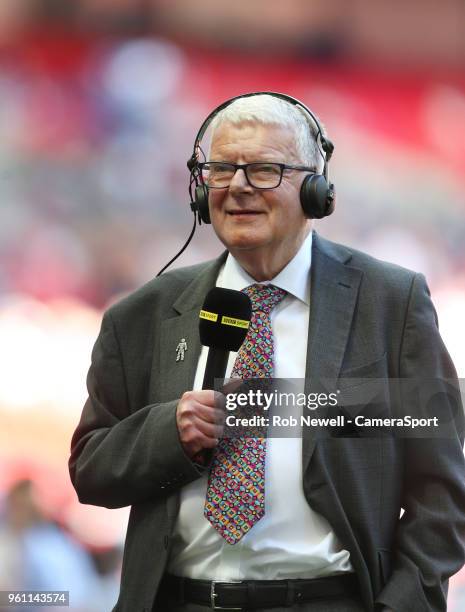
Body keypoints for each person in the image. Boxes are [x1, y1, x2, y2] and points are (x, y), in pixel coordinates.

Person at [69, 93, 465, 612]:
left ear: (317, 190)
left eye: (263, 169)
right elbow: (90, 470)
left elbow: (443, 492)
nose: (237, 186)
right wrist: (169, 431)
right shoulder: (141, 316)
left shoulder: (391, 303)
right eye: (221, 169)